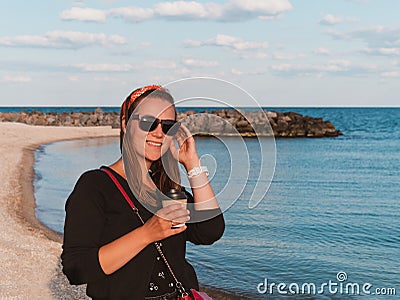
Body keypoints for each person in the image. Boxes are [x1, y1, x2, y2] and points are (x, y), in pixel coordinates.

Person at [61, 85, 225, 299]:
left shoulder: (167, 189)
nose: (158, 133)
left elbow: (210, 230)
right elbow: (77, 268)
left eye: (168, 126)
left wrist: (192, 163)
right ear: (125, 124)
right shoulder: (94, 185)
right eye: (148, 123)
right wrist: (147, 234)